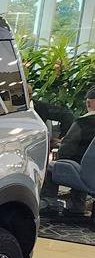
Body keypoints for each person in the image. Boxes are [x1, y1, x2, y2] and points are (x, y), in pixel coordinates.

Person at [49, 85, 95, 219]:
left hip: (86, 173)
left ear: (88, 102)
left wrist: (58, 145)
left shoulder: (83, 122)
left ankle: (48, 203)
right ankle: (76, 205)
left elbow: (66, 149)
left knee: (53, 166)